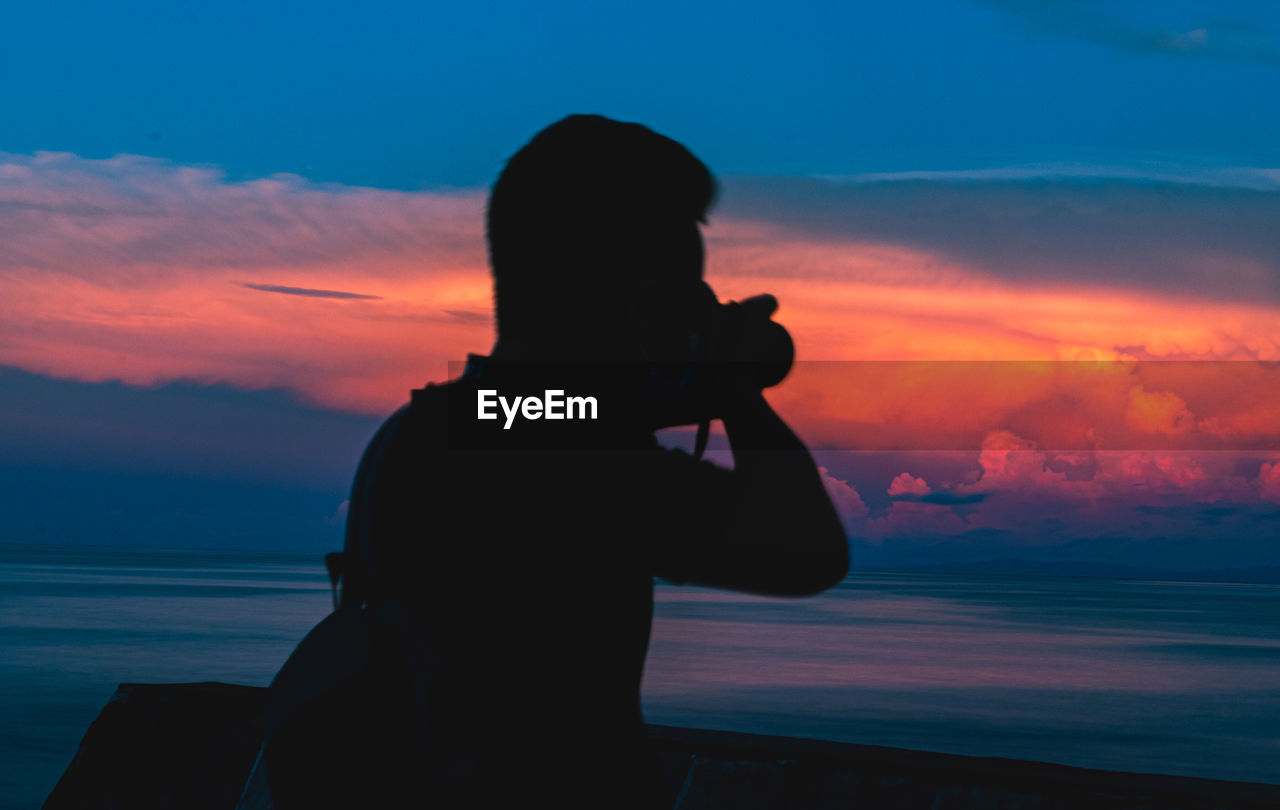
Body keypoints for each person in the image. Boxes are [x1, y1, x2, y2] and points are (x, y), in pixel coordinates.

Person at [258, 114, 848, 809]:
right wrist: (736, 393)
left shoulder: (431, 426)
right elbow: (806, 552)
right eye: (686, 296)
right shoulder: (571, 457)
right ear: (641, 296)